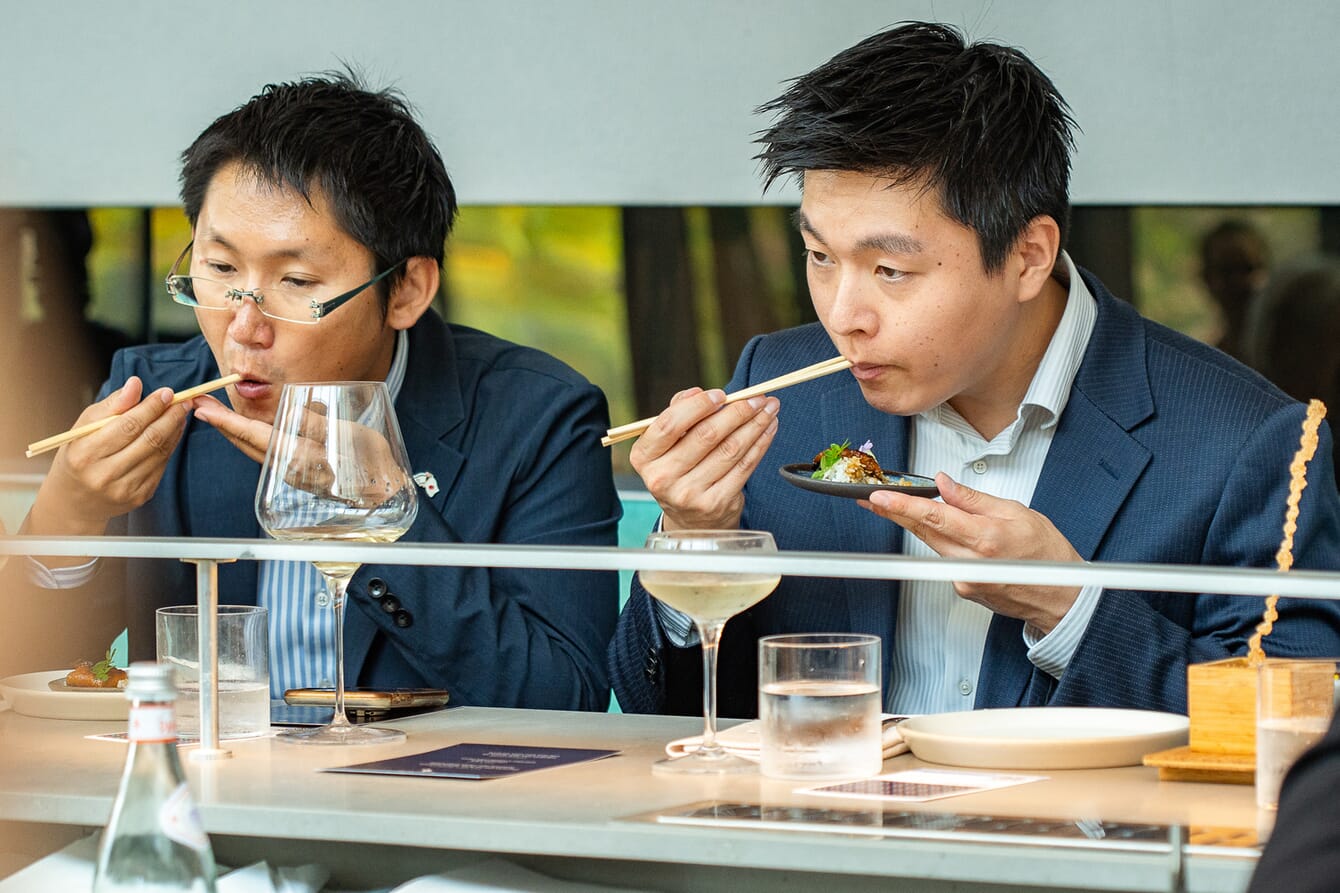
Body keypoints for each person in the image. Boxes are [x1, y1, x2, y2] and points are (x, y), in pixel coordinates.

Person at [608, 22, 1340, 719]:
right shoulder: (778, 386)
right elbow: (660, 711)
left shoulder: (1251, 442)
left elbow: (1294, 732)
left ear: (1028, 255)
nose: (843, 313)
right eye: (820, 256)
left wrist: (1069, 605)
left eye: (890, 269)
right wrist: (694, 538)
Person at [21, 72, 620, 711]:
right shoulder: (158, 399)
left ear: (408, 289)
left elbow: (564, 697)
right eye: (220, 270)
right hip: (202, 796)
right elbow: (33, 684)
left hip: (419, 802)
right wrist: (66, 519)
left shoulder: (537, 417)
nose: (244, 328)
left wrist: (385, 515)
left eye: (297, 281)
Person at [1199, 219, 1271, 364]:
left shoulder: (1290, 355)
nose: (1239, 282)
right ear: (1207, 279)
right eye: (1227, 271)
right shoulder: (1211, 363)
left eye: (1247, 268)